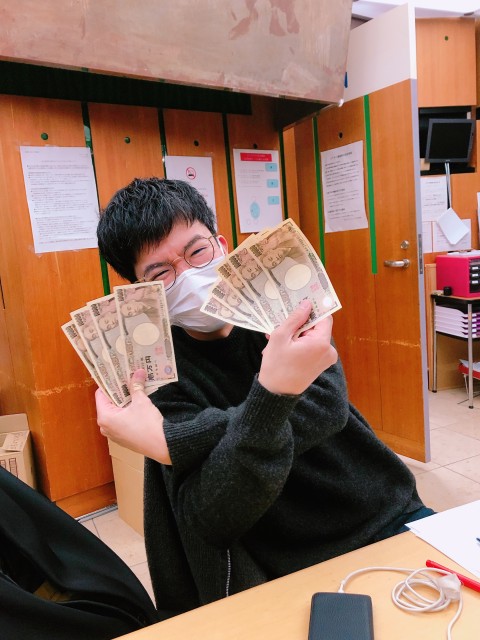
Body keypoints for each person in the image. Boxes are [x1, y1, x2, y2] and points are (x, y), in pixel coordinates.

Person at [95, 177, 433, 617]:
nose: (189, 276)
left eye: (197, 252)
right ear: (140, 293)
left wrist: (175, 440)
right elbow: (212, 515)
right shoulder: (155, 376)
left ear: (221, 246)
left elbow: (326, 408)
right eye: (161, 273)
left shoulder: (281, 304)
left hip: (381, 511)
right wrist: (275, 393)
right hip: (279, 566)